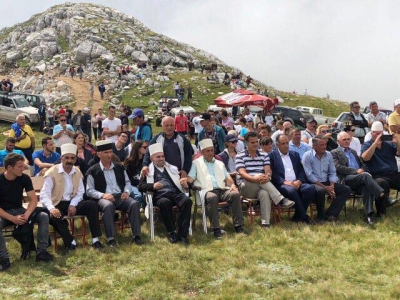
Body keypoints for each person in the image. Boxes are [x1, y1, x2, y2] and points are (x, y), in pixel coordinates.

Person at [40, 144, 103, 251]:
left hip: (73, 201)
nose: (69, 160)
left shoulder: (77, 171)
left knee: (92, 205)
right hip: (57, 202)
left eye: (72, 158)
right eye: (67, 158)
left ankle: (95, 239)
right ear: (61, 158)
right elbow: (44, 194)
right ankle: (70, 241)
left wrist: (73, 204)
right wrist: (52, 208)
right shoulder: (52, 172)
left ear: (76, 159)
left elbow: (80, 192)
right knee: (53, 216)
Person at [0, 153, 54, 271]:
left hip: (20, 210)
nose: (23, 168)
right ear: (10, 167)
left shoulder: (24, 178)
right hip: (4, 212)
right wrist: (12, 218)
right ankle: (4, 258)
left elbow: (33, 199)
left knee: (43, 216)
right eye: (20, 166)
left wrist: (27, 214)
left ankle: (41, 252)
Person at [86, 140, 143, 247]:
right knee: (108, 206)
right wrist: (103, 195)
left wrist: (126, 192)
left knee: (134, 204)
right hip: (103, 199)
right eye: (105, 152)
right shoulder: (92, 170)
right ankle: (111, 238)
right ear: (99, 154)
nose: (109, 155)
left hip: (120, 196)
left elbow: (127, 182)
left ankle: (137, 236)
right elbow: (89, 190)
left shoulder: (119, 167)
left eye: (110, 152)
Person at [185, 139, 245, 239]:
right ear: (202, 152)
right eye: (207, 151)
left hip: (221, 189)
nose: (210, 153)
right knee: (212, 197)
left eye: (212, 150)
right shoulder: (195, 163)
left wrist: (233, 185)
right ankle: (216, 229)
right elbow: (190, 179)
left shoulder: (219, 163)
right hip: (206, 191)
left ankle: (238, 226)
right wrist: (185, 180)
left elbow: (227, 178)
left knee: (235, 194)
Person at [236, 132, 295, 228]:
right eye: (252, 142)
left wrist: (267, 176)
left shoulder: (264, 155)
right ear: (246, 143)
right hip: (246, 186)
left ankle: (265, 223)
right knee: (260, 176)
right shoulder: (240, 155)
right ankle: (280, 200)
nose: (255, 144)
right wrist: (256, 178)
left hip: (262, 184)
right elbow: (242, 173)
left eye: (256, 142)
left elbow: (268, 170)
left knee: (265, 193)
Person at [138, 143, 192, 244]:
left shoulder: (172, 168)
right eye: (158, 157)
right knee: (164, 203)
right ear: (152, 158)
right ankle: (171, 232)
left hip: (174, 193)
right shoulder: (147, 171)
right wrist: (152, 186)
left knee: (187, 201)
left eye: (162, 156)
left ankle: (183, 234)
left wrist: (185, 184)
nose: (161, 158)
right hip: (159, 196)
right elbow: (140, 186)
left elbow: (183, 183)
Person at [332, 132, 389, 224]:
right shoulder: (334, 152)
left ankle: (368, 215)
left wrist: (363, 169)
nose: (347, 141)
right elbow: (338, 168)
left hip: (359, 178)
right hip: (346, 179)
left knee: (367, 187)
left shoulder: (353, 152)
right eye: (344, 140)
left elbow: (362, 164)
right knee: (364, 176)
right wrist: (356, 171)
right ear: (338, 141)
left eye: (348, 139)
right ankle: (383, 196)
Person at [302, 136, 351, 222]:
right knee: (320, 191)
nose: (324, 146)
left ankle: (330, 214)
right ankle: (320, 216)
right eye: (321, 145)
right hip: (314, 183)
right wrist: (325, 188)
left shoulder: (328, 155)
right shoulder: (307, 156)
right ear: (314, 146)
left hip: (327, 181)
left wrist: (331, 186)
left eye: (325, 144)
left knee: (346, 189)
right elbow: (309, 175)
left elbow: (332, 172)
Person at [269, 134, 315, 223]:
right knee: (291, 190)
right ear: (277, 145)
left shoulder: (295, 155)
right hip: (282, 185)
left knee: (310, 189)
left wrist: (299, 181)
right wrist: (284, 182)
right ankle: (304, 217)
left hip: (296, 182)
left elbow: (301, 170)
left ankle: (297, 216)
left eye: (287, 143)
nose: (286, 146)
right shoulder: (272, 156)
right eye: (283, 144)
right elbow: (272, 174)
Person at [361, 121, 400, 216]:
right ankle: (381, 212)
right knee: (381, 183)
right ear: (371, 133)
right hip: (378, 175)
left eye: (380, 133)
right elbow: (365, 158)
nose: (379, 135)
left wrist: (397, 143)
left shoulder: (388, 144)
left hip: (393, 174)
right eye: (376, 133)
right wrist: (375, 144)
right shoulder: (367, 145)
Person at [124, 141, 147, 207]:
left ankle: (145, 210)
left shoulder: (146, 161)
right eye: (145, 147)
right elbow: (128, 179)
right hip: (132, 184)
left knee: (146, 195)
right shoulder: (129, 161)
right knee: (138, 196)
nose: (147, 149)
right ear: (138, 149)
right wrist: (140, 183)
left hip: (143, 183)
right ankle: (134, 213)